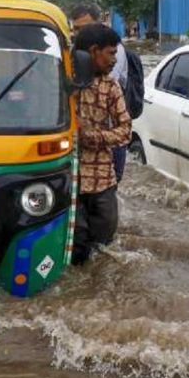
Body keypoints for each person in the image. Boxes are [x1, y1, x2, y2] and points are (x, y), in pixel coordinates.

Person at [71, 23, 132, 266]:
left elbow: (125, 131)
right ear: (94, 51)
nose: (115, 60)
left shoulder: (111, 86)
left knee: (105, 244)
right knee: (76, 247)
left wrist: (92, 136)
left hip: (102, 179)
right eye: (111, 53)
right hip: (69, 179)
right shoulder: (63, 79)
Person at [69, 4, 130, 183]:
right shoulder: (69, 59)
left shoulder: (110, 61)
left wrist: (86, 133)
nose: (79, 34)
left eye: (85, 28)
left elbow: (101, 83)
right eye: (76, 29)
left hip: (107, 142)